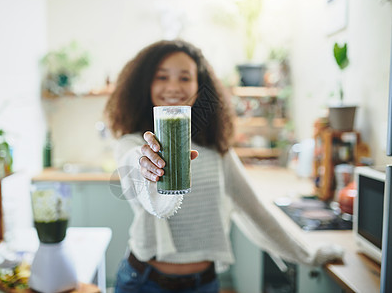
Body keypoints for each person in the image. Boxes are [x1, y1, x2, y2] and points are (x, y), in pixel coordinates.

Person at [104, 39, 343, 293]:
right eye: (161, 77)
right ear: (145, 84)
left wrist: (309, 255)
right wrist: (147, 164)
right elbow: (135, 165)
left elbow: (255, 211)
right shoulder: (132, 143)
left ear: (199, 85)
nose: (173, 87)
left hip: (205, 284)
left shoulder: (216, 149)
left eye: (185, 78)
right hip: (143, 282)